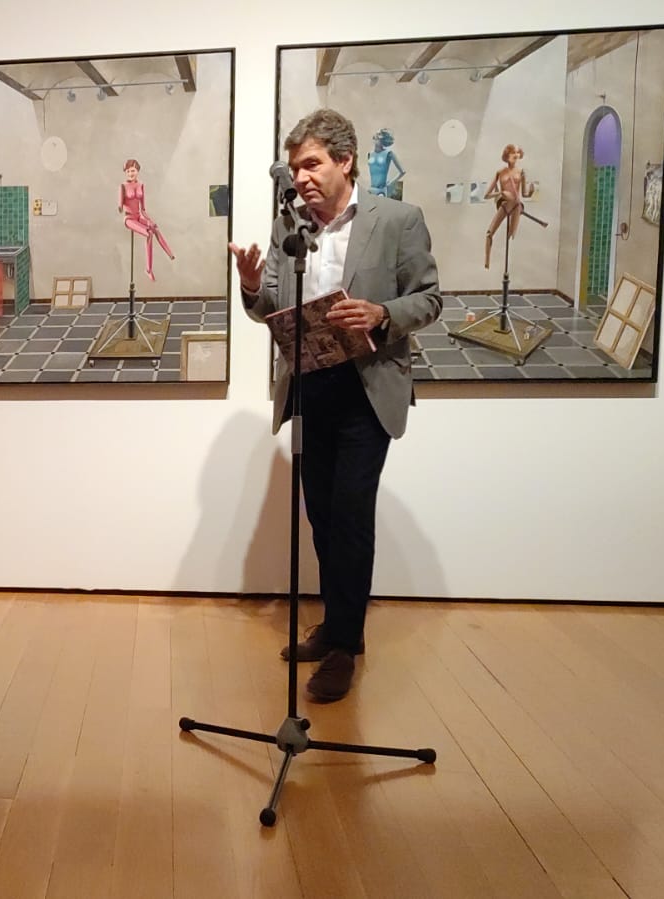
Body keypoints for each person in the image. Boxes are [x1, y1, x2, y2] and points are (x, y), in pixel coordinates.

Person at [229, 109, 442, 702]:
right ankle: (338, 623)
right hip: (310, 386)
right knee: (322, 514)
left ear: (346, 162)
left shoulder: (398, 220)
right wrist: (252, 284)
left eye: (312, 164)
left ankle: (344, 645)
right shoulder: (290, 226)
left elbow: (430, 298)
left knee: (350, 515)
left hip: (367, 388)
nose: (301, 177)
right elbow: (270, 306)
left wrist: (381, 313)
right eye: (295, 167)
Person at [119, 159, 175, 280]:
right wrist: (120, 207)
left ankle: (170, 254)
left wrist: (150, 221)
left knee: (154, 228)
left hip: (139, 216)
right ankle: (148, 269)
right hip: (129, 218)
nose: (130, 173)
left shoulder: (141, 185)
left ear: (137, 171)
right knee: (149, 233)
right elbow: (121, 205)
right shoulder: (123, 186)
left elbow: (143, 209)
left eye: (132, 171)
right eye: (128, 171)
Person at [483, 144, 533, 268]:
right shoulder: (500, 172)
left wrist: (531, 192)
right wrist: (500, 193)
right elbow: (487, 195)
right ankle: (487, 261)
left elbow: (524, 194)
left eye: (517, 153)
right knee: (489, 233)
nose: (515, 155)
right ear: (507, 155)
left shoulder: (521, 172)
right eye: (512, 152)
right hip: (506, 204)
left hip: (516, 204)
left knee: (510, 234)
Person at [366, 128, 406, 200]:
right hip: (371, 190)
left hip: (381, 191)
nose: (376, 139)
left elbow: (402, 172)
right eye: (376, 137)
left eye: (379, 138)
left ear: (383, 141)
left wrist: (391, 183)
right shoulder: (369, 154)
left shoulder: (389, 153)